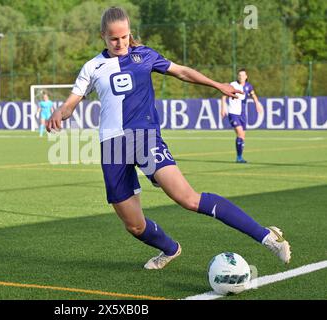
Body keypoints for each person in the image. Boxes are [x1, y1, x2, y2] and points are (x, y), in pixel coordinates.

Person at [47, 7, 290, 269]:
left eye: (124, 37)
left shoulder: (146, 55)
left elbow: (183, 72)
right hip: (112, 148)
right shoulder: (92, 67)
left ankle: (268, 237)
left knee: (188, 199)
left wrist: (218, 85)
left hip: (145, 138)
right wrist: (61, 113)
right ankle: (170, 249)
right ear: (102, 36)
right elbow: (72, 102)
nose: (120, 43)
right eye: (113, 39)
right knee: (134, 225)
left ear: (130, 33)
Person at [221, 69, 263, 163]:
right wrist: (223, 108)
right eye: (239, 75)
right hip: (233, 113)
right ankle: (239, 158)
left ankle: (239, 156)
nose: (241, 77)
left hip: (243, 114)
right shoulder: (233, 85)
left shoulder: (249, 86)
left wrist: (257, 104)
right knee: (240, 133)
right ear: (237, 76)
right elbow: (224, 96)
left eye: (243, 75)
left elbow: (253, 95)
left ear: (246, 76)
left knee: (242, 136)